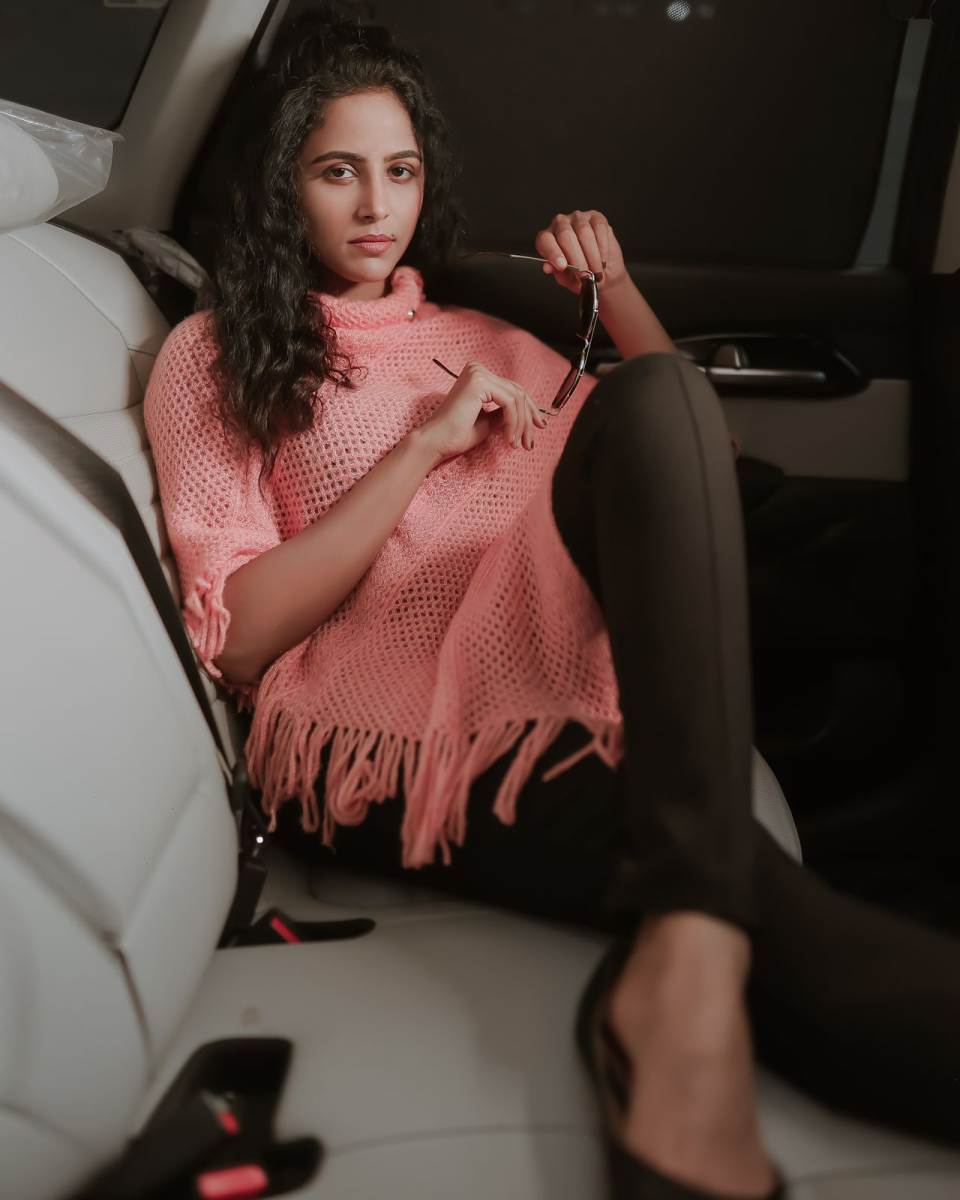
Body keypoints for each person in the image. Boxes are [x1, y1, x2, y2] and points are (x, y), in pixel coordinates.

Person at [144, 10, 960, 1200]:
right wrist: (423, 447)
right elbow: (240, 637)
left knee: (656, 403)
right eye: (338, 172)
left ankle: (678, 964)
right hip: (385, 739)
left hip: (563, 674)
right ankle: (675, 988)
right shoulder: (217, 356)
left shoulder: (478, 332)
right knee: (753, 903)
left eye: (401, 171)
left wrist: (616, 294)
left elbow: (693, 471)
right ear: (282, 189)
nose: (376, 206)